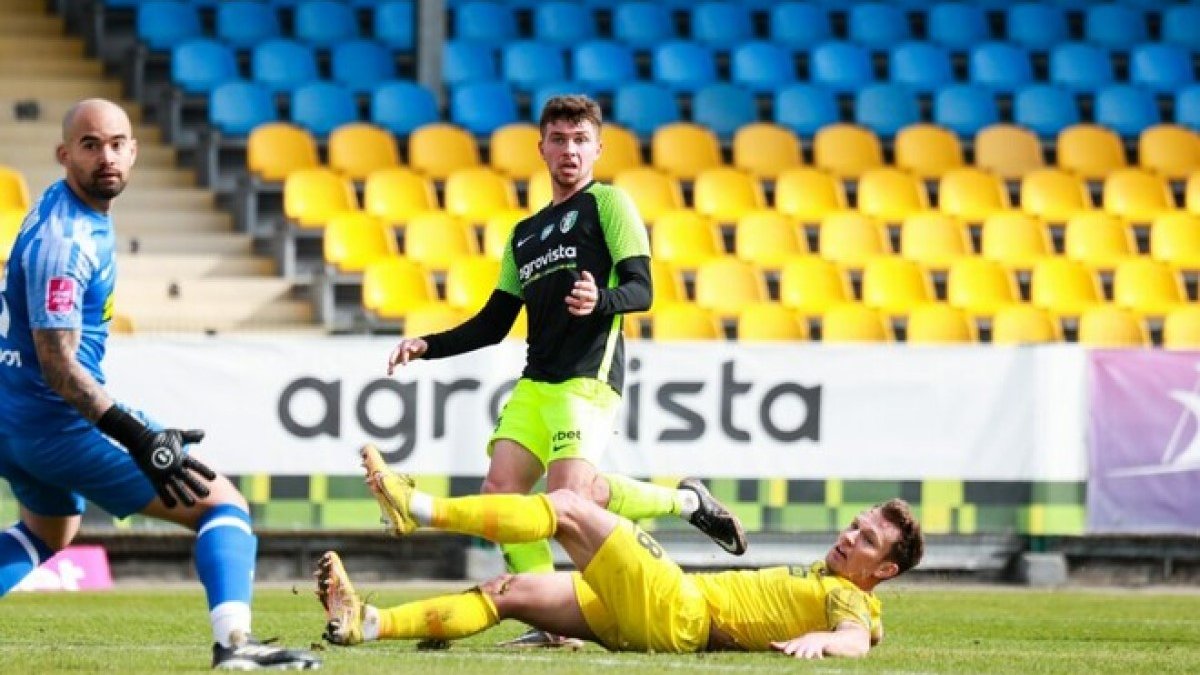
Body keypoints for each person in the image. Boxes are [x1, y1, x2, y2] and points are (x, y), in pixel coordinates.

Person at [384, 95, 746, 647]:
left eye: (580, 140)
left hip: (587, 379)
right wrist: (426, 345)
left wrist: (601, 300)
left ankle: (686, 502)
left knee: (568, 504)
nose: (570, 150)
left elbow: (643, 290)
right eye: (559, 140)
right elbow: (494, 323)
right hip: (536, 384)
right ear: (542, 149)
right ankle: (549, 623)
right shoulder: (523, 235)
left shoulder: (609, 204)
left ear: (598, 148)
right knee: (502, 491)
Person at [0, 99, 319, 671]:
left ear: (134, 151)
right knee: (222, 505)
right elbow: (60, 366)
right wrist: (140, 438)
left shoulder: (65, 208)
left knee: (49, 529)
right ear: (64, 154)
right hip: (55, 421)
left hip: (15, 414)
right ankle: (235, 644)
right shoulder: (66, 240)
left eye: (116, 144)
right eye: (90, 145)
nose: (106, 156)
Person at [316, 446, 924, 659]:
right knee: (509, 593)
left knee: (568, 505)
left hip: (679, 608)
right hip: (655, 614)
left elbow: (855, 637)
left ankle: (417, 508)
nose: (850, 537)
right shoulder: (832, 582)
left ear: (885, 570)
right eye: (856, 525)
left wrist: (825, 642)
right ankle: (368, 624)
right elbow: (865, 629)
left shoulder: (849, 599)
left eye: (867, 540)